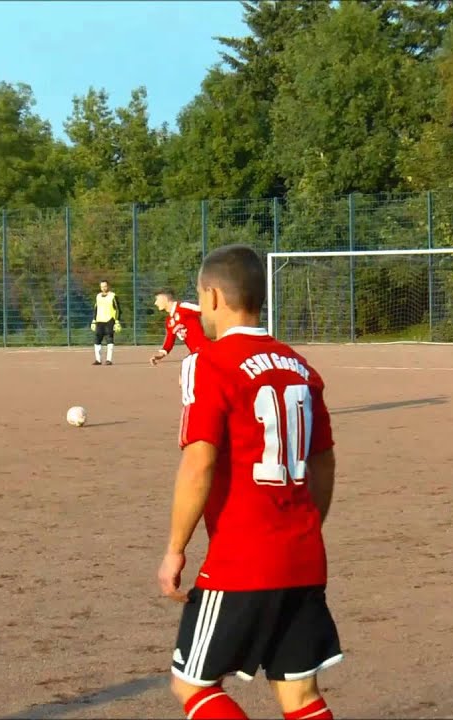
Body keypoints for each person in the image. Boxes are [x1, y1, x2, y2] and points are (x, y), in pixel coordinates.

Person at [158, 244, 341, 720]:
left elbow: (198, 463)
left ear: (213, 297)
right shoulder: (300, 366)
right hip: (303, 554)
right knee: (300, 695)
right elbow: (323, 463)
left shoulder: (209, 363)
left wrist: (175, 549)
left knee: (192, 685)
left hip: (241, 559)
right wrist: (307, 525)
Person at [150, 288, 208, 366]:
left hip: (208, 350)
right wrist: (160, 355)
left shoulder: (183, 307)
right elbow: (169, 340)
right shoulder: (169, 321)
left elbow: (206, 310)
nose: (155, 303)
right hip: (197, 354)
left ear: (165, 298)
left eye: (157, 300)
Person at [91, 280, 122, 366]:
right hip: (99, 320)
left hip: (109, 320)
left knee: (109, 339)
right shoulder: (98, 296)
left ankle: (109, 360)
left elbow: (118, 309)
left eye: (105, 286)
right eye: (102, 286)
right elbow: (96, 309)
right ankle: (98, 360)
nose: (103, 288)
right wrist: (94, 320)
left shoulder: (113, 296)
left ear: (108, 286)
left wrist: (117, 321)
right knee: (97, 339)